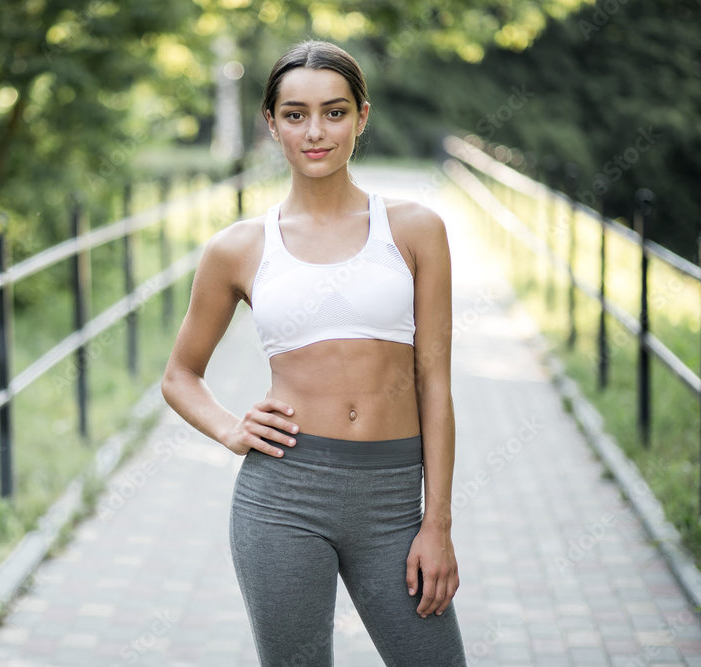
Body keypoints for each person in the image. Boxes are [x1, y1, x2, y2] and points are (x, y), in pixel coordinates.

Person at [161, 40, 466, 666]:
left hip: (393, 504)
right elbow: (179, 376)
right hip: (282, 499)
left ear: (362, 116)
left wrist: (436, 523)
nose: (316, 131)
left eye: (334, 111)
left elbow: (435, 384)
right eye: (295, 114)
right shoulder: (239, 248)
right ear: (271, 124)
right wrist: (230, 427)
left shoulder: (415, 229)